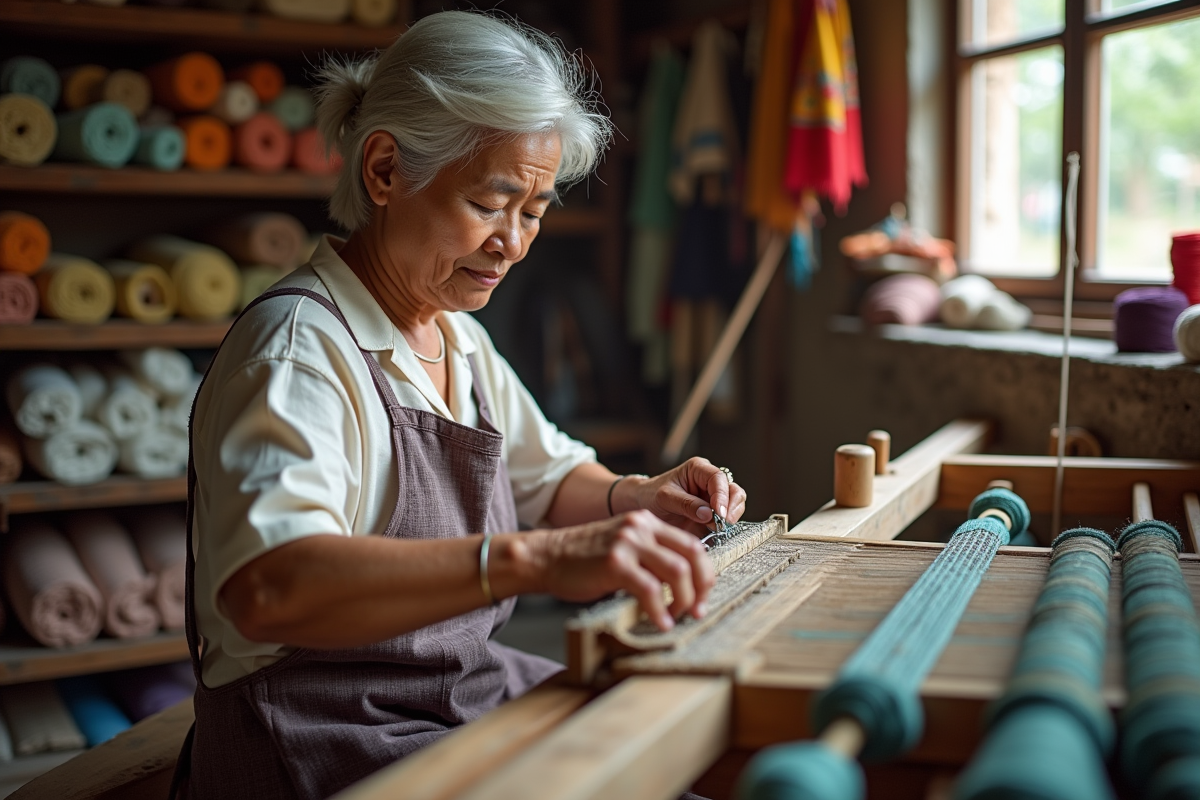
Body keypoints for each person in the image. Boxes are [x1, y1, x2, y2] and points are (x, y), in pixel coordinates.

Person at [176, 11, 747, 799]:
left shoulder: (454, 338)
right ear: (384, 172)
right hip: (321, 738)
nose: (513, 241)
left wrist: (638, 499)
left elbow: (546, 481)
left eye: (534, 211)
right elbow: (269, 586)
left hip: (451, 697)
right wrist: (536, 560)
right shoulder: (298, 352)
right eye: (490, 202)